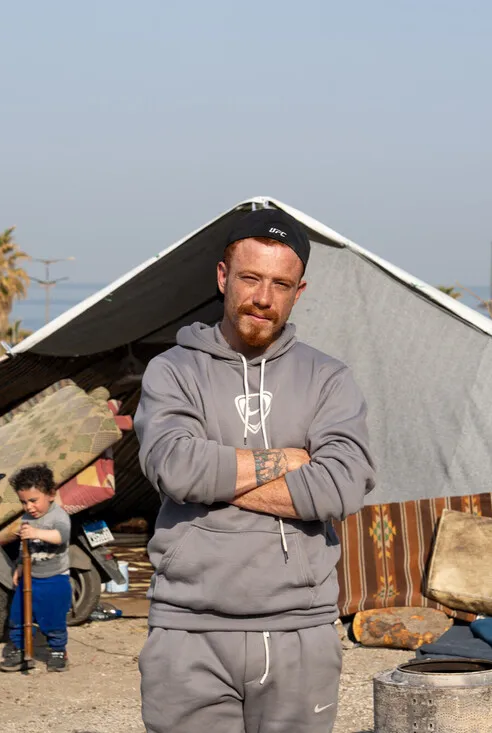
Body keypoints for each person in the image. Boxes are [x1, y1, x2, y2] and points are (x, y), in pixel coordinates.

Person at [134, 207, 376, 732]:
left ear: (298, 291)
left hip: (300, 633)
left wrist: (213, 478)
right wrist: (287, 461)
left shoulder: (328, 379)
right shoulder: (173, 371)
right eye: (250, 278)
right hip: (188, 630)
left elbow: (343, 483)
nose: (263, 298)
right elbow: (174, 466)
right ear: (224, 277)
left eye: (280, 284)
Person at [0, 464, 71, 673]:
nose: (29, 507)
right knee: (19, 614)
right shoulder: (27, 518)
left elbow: (60, 537)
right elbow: (25, 547)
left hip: (54, 578)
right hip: (30, 577)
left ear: (51, 494)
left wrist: (36, 533)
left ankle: (57, 651)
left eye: (33, 501)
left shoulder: (59, 516)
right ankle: (20, 649)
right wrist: (20, 566)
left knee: (53, 616)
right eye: (23, 502)